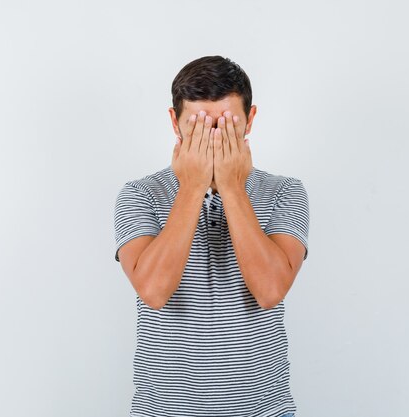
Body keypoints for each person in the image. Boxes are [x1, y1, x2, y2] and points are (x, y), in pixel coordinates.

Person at [113, 55, 309, 417]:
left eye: (225, 125)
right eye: (198, 126)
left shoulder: (285, 192)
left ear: (250, 120)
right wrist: (192, 186)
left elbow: (270, 291)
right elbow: (153, 291)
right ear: (175, 122)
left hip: (264, 409)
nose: (212, 138)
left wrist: (233, 188)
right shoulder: (140, 194)